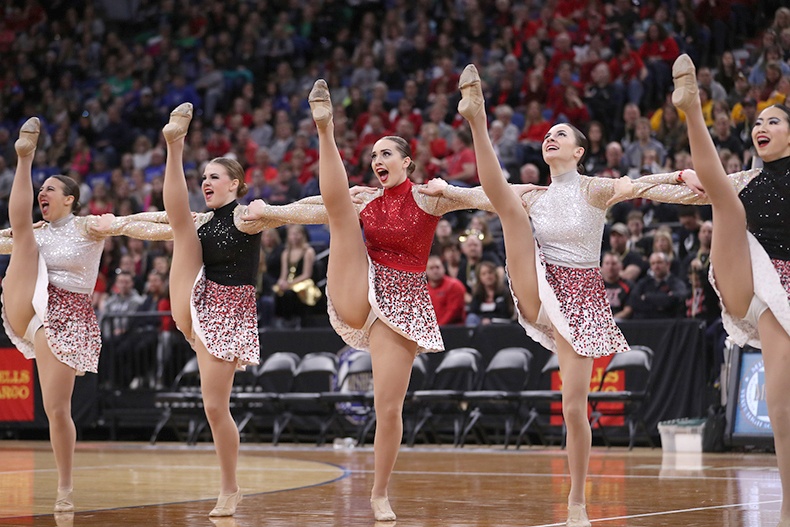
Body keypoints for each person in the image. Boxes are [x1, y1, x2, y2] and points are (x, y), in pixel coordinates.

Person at [455, 63, 695, 527]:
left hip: (581, 297)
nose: (550, 137)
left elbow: (640, 185)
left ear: (579, 151)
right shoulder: (535, 193)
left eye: (560, 134)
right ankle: (476, 118)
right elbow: (479, 195)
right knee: (508, 204)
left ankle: (578, 500)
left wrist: (683, 173)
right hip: (538, 279)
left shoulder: (594, 188)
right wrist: (444, 189)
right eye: (547, 134)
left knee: (572, 407)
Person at [306, 79, 504, 521]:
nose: (377, 160)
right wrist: (268, 214)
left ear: (406, 162)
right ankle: (325, 129)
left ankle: (379, 492)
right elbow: (311, 207)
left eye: (386, 154)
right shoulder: (365, 198)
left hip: (403, 302)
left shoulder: (425, 197)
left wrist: (451, 191)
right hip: (361, 282)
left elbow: (488, 198)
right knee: (341, 214)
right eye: (373, 155)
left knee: (387, 407)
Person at [159, 103, 339, 517]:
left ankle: (230, 487)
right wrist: (112, 223)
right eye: (202, 177)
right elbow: (156, 220)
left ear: (236, 184)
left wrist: (274, 210)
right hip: (200, 301)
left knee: (214, 407)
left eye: (214, 177)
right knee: (181, 223)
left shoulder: (246, 217)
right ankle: (175, 146)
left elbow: (305, 208)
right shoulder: (202, 221)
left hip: (230, 309)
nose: (206, 182)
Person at [0, 118, 177, 513]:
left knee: (56, 410)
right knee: (23, 235)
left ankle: (65, 484)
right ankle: (23, 158)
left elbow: (143, 224)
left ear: (70, 199)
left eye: (50, 189)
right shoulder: (35, 229)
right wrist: (21, 232)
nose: (43, 194)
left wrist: (176, 222)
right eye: (40, 189)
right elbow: (8, 237)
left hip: (69, 315)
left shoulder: (88, 227)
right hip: (29, 304)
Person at [669, 54, 790, 527]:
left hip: (786, 291)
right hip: (750, 278)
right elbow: (694, 187)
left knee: (781, 407)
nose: (762, 127)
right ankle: (692, 108)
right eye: (758, 121)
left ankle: (787, 503)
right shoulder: (743, 180)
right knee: (726, 201)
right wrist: (679, 178)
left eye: (774, 121)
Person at [627, 252, 688, 319]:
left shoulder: (676, 282)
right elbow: (634, 301)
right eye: (653, 263)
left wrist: (646, 297)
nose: (656, 266)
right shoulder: (643, 282)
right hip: (645, 322)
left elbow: (679, 297)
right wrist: (664, 300)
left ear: (668, 264)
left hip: (668, 322)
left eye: (659, 262)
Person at [465, 260, 514, 326]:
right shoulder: (477, 295)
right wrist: (483, 319)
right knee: (471, 318)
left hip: (500, 324)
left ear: (495, 274)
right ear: (479, 278)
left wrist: (490, 320)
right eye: (484, 274)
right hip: (481, 325)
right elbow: (473, 311)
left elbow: (506, 313)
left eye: (490, 272)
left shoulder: (505, 292)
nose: (488, 276)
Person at [426, 254, 466, 325]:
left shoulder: (454, 285)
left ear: (443, 268)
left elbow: (453, 312)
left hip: (452, 329)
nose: (435, 271)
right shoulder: (423, 290)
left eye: (438, 267)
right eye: (431, 268)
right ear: (425, 271)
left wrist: (438, 328)